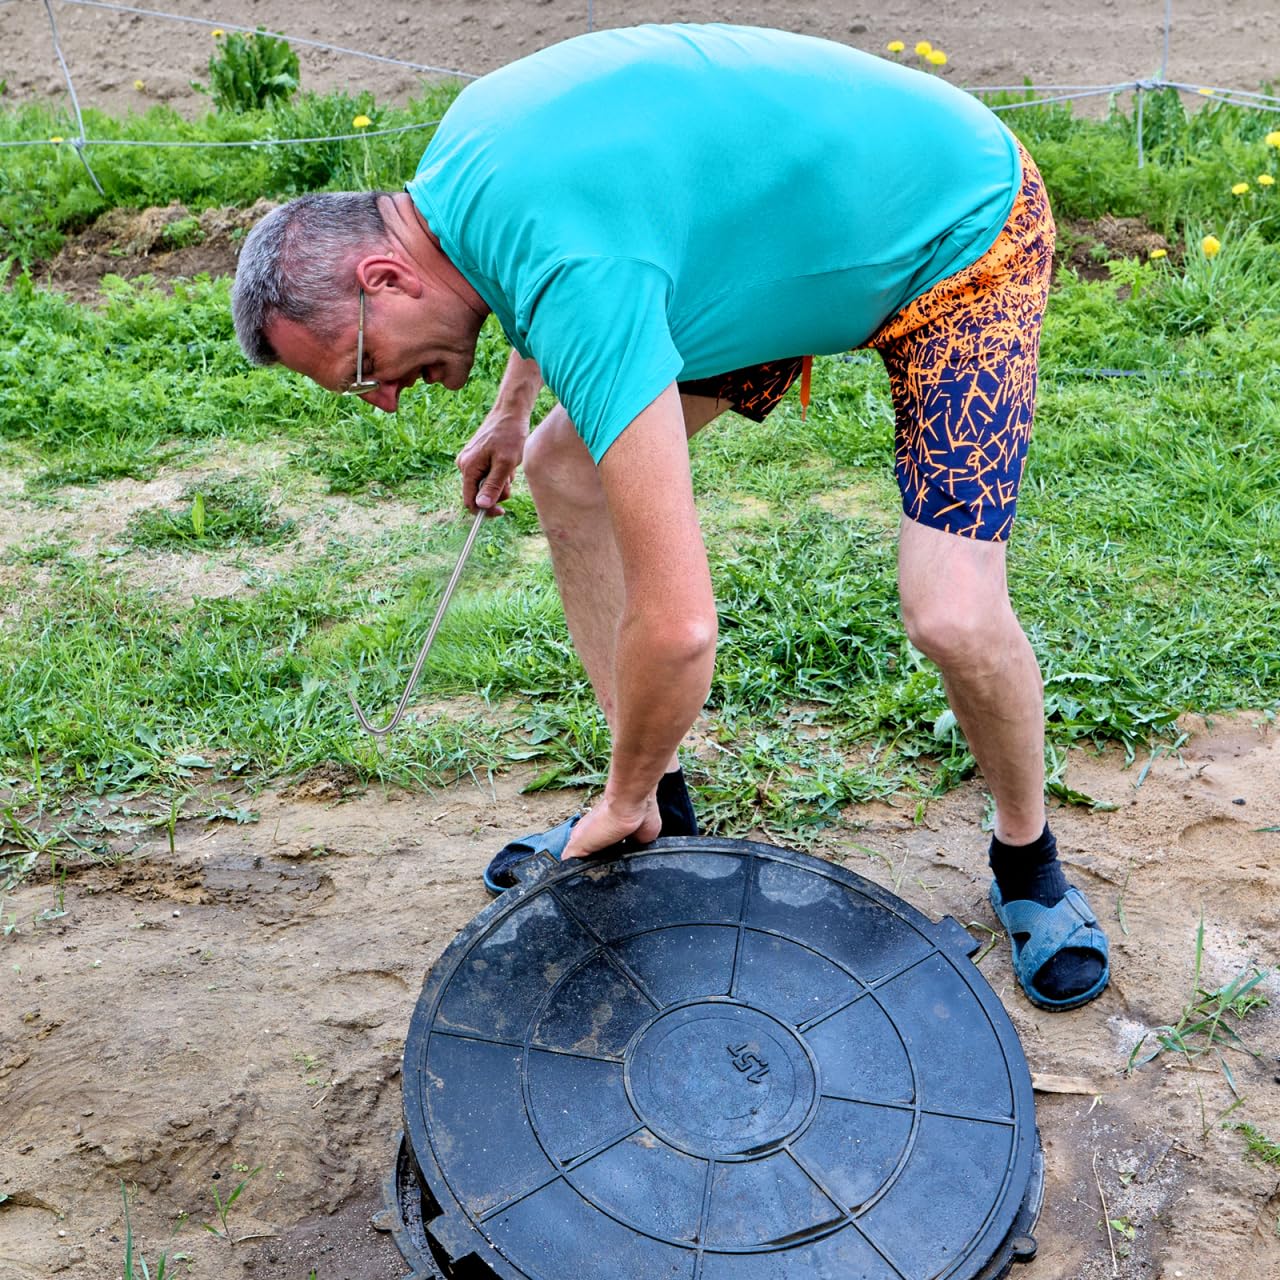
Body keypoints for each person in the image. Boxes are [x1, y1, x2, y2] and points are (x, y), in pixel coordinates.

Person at [230, 23, 1109, 1011]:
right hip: (774, 246)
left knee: (949, 609)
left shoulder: (572, 273)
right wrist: (514, 408)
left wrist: (612, 787)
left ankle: (1027, 858)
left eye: (359, 369)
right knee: (563, 466)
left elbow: (681, 624)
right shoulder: (457, 175)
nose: (382, 398)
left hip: (952, 229)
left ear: (382, 279)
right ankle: (656, 815)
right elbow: (560, 248)